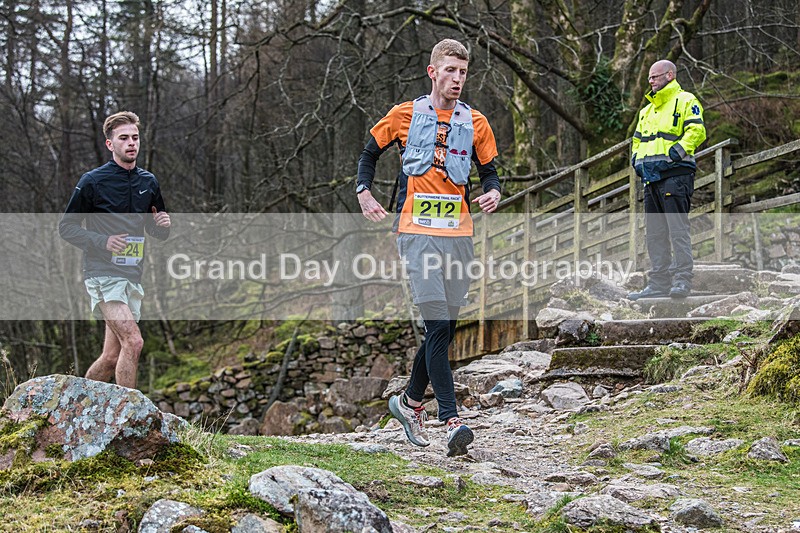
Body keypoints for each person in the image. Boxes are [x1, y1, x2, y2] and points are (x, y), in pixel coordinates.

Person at [356, 39, 502, 456]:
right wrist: (364, 192)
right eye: (450, 70)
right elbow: (368, 154)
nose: (457, 79)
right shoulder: (404, 114)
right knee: (437, 325)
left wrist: (494, 192)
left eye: (463, 72)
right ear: (432, 71)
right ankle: (451, 419)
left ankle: (408, 402)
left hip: (458, 234)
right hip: (416, 232)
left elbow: (490, 173)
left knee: (447, 328)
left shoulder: (476, 122)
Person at [59, 111, 171, 389]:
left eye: (135, 137)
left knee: (110, 357)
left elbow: (156, 230)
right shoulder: (92, 181)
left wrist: (163, 226)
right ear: (110, 144)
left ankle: (77, 404)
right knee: (133, 341)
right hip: (102, 273)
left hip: (132, 274)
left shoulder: (149, 182)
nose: (131, 143)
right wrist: (103, 241)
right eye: (123, 138)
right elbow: (67, 227)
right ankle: (129, 413)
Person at [628, 60, 706, 300]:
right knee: (654, 234)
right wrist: (636, 160)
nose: (650, 81)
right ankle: (659, 283)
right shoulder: (646, 111)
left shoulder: (686, 100)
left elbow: (697, 132)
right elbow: (637, 140)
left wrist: (675, 154)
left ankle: (682, 280)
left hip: (676, 175)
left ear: (670, 75)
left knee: (677, 230)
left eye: (655, 76)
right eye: (649, 77)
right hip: (650, 178)